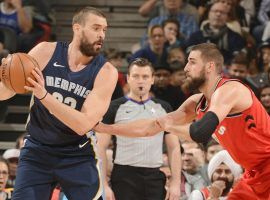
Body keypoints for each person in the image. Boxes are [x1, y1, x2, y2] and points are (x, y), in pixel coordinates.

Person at [94, 43, 270, 199]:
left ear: (209, 67)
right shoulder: (195, 103)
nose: (186, 68)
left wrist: (170, 126)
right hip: (255, 174)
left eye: (192, 62)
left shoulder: (230, 90)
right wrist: (104, 128)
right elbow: (148, 128)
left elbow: (200, 132)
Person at [0, 6, 118, 200]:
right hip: (38, 149)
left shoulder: (106, 72)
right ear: (77, 28)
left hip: (77, 153)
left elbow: (83, 125)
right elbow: (7, 91)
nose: (101, 35)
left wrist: (44, 95)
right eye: (96, 28)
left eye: (104, 30)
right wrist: (6, 78)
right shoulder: (45, 51)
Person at [97, 58, 181, 200]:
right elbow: (100, 147)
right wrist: (104, 184)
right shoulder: (113, 107)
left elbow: (174, 147)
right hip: (124, 176)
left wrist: (175, 183)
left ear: (152, 79)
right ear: (128, 78)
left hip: (154, 175)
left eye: (145, 76)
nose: (140, 81)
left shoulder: (164, 108)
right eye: (136, 76)